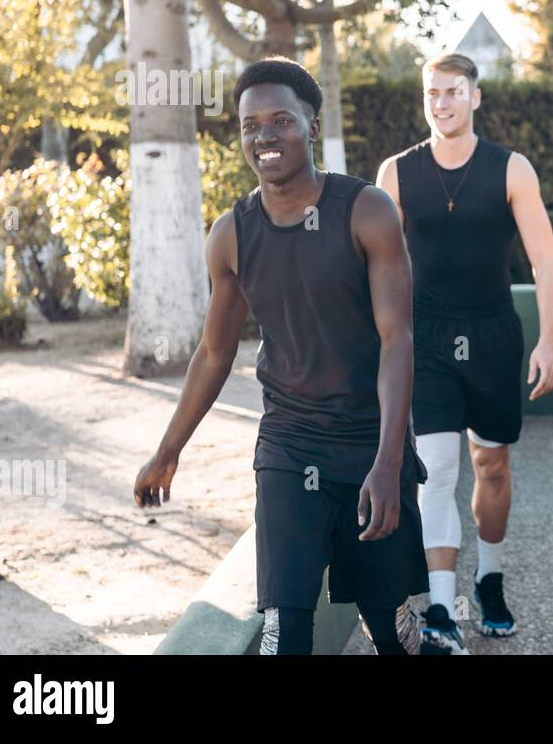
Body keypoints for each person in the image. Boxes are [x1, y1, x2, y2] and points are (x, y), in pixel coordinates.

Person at [134, 56, 428, 655]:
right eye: (250, 125)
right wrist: (167, 452)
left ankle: (398, 618)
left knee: (386, 630)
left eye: (281, 121)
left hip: (370, 438)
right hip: (289, 445)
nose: (264, 136)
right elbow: (214, 352)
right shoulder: (231, 234)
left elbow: (397, 340)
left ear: (312, 126)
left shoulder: (368, 211)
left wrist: (389, 462)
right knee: (283, 628)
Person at [376, 52, 553, 654]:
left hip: (493, 337)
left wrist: (549, 341)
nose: (441, 103)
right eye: (432, 93)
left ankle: (490, 577)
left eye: (452, 91)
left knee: (491, 467)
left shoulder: (512, 169)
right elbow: (380, 269)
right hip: (425, 340)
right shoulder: (396, 173)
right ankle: (439, 608)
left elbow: (545, 262)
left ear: (475, 96)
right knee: (436, 472)